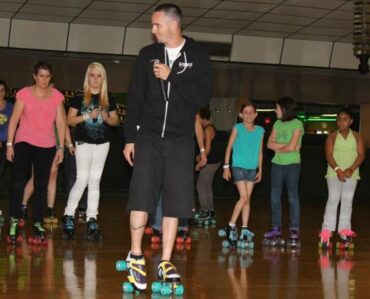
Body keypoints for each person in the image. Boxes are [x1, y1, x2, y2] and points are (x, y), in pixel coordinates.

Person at [122, 3, 211, 292]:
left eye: (156, 25)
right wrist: (129, 138)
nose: (152, 30)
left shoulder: (197, 56)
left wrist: (172, 75)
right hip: (147, 136)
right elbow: (134, 97)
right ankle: (136, 255)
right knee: (142, 195)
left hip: (180, 139)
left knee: (176, 200)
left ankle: (166, 260)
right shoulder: (147, 55)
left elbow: (201, 95)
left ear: (173, 25)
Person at [6, 61, 66, 244]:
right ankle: (14, 220)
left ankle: (38, 223)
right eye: (41, 76)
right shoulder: (24, 94)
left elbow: (61, 123)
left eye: (47, 76)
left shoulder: (56, 96)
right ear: (34, 76)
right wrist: (9, 144)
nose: (44, 80)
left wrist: (61, 147)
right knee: (18, 182)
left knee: (41, 184)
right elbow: (14, 120)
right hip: (24, 141)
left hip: (46, 145)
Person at [62, 62, 118, 240]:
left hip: (103, 144)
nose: (95, 79)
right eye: (92, 75)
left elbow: (115, 121)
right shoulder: (79, 98)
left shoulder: (109, 99)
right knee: (82, 179)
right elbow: (69, 120)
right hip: (83, 143)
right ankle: (69, 214)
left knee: (95, 181)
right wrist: (87, 116)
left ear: (103, 78)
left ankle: (92, 217)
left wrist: (106, 118)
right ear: (88, 77)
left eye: (98, 75)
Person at [318, 108, 365, 249]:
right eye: (339, 119)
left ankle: (344, 231)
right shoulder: (332, 136)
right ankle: (326, 232)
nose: (341, 122)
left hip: (351, 173)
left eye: (345, 119)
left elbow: (361, 155)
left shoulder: (357, 136)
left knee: (347, 201)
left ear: (350, 121)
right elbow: (329, 155)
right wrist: (338, 170)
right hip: (334, 173)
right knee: (333, 199)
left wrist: (351, 169)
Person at [221, 103, 264, 248]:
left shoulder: (260, 130)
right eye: (246, 112)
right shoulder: (237, 128)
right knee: (244, 197)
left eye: (251, 112)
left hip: (252, 167)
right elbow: (228, 147)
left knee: (247, 199)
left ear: (256, 114)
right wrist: (226, 167)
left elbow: (260, 151)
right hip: (238, 166)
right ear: (241, 115)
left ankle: (244, 229)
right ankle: (230, 225)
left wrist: (261, 169)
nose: (249, 114)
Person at [264, 96, 304, 247]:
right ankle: (276, 228)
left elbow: (292, 147)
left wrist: (278, 145)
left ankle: (294, 229)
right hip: (277, 163)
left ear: (285, 109)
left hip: (292, 164)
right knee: (274, 195)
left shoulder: (298, 124)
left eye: (277, 108)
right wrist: (285, 146)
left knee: (292, 196)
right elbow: (268, 144)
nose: (275, 110)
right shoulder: (277, 123)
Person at [21, 125, 75, 225]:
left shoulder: (58, 109)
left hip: (55, 145)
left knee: (53, 176)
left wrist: (70, 144)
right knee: (36, 177)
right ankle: (23, 205)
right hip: (38, 143)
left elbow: (64, 125)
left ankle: (50, 208)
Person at [195, 107, 222, 225]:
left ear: (201, 118)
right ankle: (210, 211)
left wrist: (201, 161)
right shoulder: (210, 128)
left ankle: (206, 211)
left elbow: (208, 148)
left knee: (201, 186)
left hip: (210, 163)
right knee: (206, 186)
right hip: (213, 161)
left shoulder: (207, 129)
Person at [0, 80, 13, 185]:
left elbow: (14, 125)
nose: (0, 93)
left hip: (5, 144)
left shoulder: (11, 107)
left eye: (2, 90)